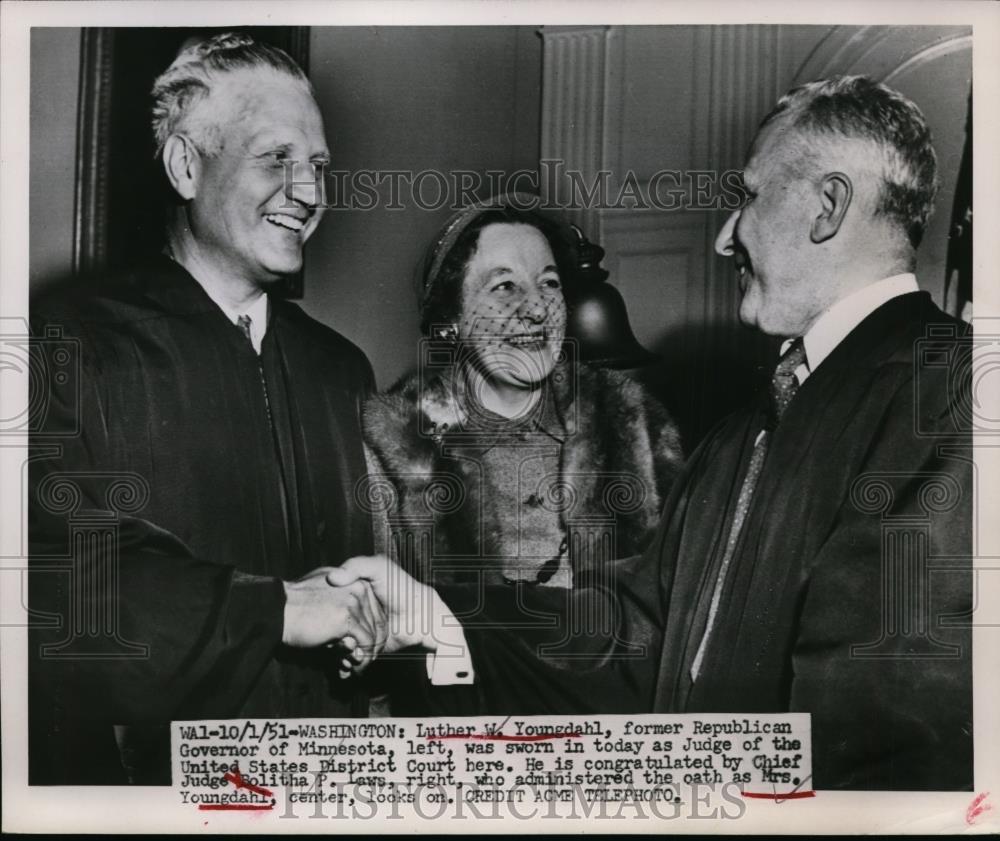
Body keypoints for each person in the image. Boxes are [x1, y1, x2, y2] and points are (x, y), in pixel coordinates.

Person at [333, 76, 973, 791]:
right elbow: (634, 633)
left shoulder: (953, 395)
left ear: (827, 207)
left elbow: (887, 746)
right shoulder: (744, 433)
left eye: (749, 195)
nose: (727, 235)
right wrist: (440, 613)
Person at [28, 32, 383, 785]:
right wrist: (273, 610)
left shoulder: (342, 370)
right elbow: (53, 589)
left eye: (317, 165)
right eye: (276, 159)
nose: (310, 192)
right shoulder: (72, 341)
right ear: (188, 165)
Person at [360, 197, 683, 712]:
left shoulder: (632, 424)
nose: (535, 307)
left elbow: (677, 620)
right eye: (504, 285)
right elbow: (378, 660)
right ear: (451, 318)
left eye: (550, 283)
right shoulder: (397, 447)